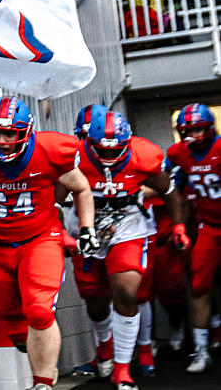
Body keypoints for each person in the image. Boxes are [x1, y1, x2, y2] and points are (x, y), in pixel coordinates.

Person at [0, 96, 97, 390]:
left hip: (40, 239)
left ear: (26, 131)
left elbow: (82, 188)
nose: (1, 141)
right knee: (12, 321)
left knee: (39, 310)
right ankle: (36, 351)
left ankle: (42, 383)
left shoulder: (49, 150)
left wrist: (86, 228)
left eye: (9, 133)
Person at [68, 106, 189, 390]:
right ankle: (105, 350)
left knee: (127, 289)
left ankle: (122, 369)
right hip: (87, 229)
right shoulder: (73, 156)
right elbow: (55, 196)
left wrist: (179, 225)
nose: (109, 156)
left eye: (115, 150)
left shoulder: (143, 155)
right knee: (95, 301)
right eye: (102, 150)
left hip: (127, 228)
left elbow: (168, 191)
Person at [166, 104, 221, 374]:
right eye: (188, 131)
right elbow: (173, 188)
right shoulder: (178, 153)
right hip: (209, 225)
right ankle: (201, 349)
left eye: (199, 129)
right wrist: (179, 225)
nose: (194, 135)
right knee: (198, 285)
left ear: (210, 128)